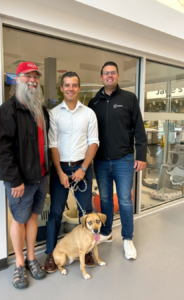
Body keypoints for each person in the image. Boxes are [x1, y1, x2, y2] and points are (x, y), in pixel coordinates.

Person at [0, 62, 49, 289]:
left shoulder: (40, 110)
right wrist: (14, 180)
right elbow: (2, 151)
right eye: (28, 76)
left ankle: (31, 258)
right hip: (21, 181)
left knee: (33, 217)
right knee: (19, 220)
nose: (33, 80)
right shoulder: (7, 111)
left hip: (41, 177)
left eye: (36, 76)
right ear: (18, 79)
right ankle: (18, 263)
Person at [88, 61, 147, 260]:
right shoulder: (94, 102)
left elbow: (139, 128)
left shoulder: (129, 98)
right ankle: (106, 232)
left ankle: (128, 239)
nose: (109, 76)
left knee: (124, 200)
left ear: (118, 76)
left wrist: (141, 155)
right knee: (104, 200)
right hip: (101, 161)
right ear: (101, 77)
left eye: (113, 73)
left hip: (124, 159)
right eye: (106, 73)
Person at [44, 71, 99, 273]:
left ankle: (86, 251)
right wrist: (59, 172)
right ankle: (51, 253)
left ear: (78, 87)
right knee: (56, 212)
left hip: (82, 167)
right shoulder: (54, 114)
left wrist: (83, 168)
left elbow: (94, 142)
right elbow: (53, 145)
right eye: (66, 85)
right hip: (61, 168)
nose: (70, 88)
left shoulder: (89, 114)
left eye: (74, 85)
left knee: (85, 213)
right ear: (61, 88)